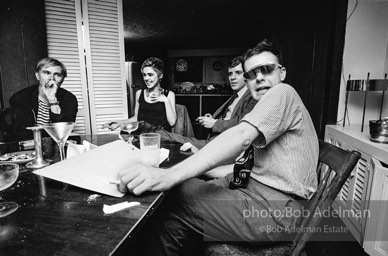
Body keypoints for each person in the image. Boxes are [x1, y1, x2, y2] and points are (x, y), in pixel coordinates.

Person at [117, 39, 319, 255]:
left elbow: (240, 136)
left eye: (267, 70)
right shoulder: (267, 112)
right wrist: (190, 170)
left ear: (282, 72)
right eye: (251, 74)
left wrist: (168, 176)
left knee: (174, 193)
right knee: (177, 199)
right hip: (256, 195)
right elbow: (245, 169)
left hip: (276, 212)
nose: (259, 78)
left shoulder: (284, 92)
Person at [158, 56, 257, 151]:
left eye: (238, 73)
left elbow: (242, 124)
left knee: (165, 136)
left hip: (222, 146)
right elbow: (230, 117)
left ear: (246, 75)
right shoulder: (236, 95)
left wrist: (214, 123)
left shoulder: (253, 96)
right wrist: (213, 119)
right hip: (214, 141)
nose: (232, 78)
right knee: (164, 136)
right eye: (230, 74)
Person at [9, 57, 78, 139]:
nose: (51, 78)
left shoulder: (69, 99)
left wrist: (52, 99)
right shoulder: (21, 98)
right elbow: (22, 133)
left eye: (57, 75)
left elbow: (63, 132)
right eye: (46, 73)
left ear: (62, 79)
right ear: (38, 76)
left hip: (57, 145)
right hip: (31, 146)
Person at [103, 57, 176, 133]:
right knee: (124, 134)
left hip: (161, 137)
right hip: (143, 134)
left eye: (150, 75)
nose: (146, 78)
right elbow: (136, 118)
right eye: (144, 75)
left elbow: (172, 123)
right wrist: (119, 123)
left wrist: (166, 101)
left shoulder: (169, 95)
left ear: (160, 76)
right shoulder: (139, 93)